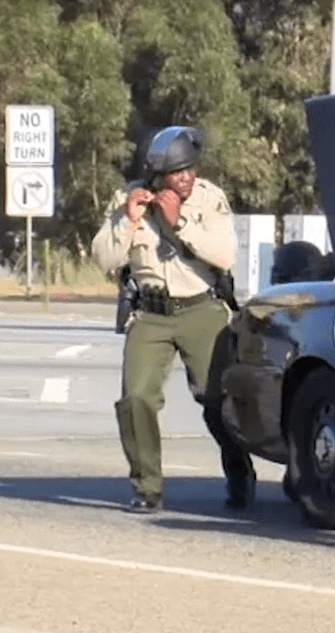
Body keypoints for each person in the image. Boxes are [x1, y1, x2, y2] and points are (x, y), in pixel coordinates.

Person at [91, 126, 255, 514]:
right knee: (136, 399)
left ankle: (238, 469)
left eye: (190, 169)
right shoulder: (127, 199)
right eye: (178, 171)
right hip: (151, 314)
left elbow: (225, 253)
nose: (187, 177)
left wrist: (179, 222)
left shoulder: (209, 198)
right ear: (157, 172)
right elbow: (104, 259)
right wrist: (127, 220)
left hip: (201, 308)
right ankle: (147, 486)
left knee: (217, 401)